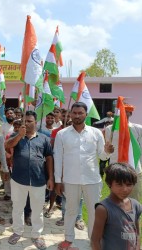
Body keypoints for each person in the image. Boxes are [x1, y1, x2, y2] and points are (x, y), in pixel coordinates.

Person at [54, 102, 114, 249]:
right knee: (71, 210)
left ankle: (94, 240)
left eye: (80, 113)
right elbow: (58, 158)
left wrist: (107, 151)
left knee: (94, 211)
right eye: (74, 113)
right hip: (70, 179)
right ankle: (68, 239)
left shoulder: (96, 133)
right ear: (70, 114)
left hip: (92, 179)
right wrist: (57, 181)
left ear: (86, 114)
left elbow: (102, 156)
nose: (77, 115)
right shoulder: (62, 134)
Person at [5, 111, 54, 249]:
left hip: (38, 179)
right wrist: (19, 136)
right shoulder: (17, 135)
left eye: (29, 121)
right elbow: (7, 145)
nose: (26, 123)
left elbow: (49, 157)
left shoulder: (44, 138)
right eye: (24, 121)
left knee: (37, 209)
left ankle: (36, 235)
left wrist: (50, 177)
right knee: (18, 207)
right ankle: (17, 232)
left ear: (36, 122)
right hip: (18, 179)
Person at [91, 162, 141, 250]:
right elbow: (95, 240)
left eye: (129, 184)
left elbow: (136, 233)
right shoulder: (103, 209)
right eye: (119, 184)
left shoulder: (136, 205)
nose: (125, 189)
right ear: (109, 184)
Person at [104, 103, 142, 202]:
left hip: (134, 169)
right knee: (116, 200)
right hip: (116, 169)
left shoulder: (138, 129)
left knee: (134, 200)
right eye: (121, 112)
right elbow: (107, 151)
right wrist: (108, 150)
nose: (124, 114)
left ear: (130, 113)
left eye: (126, 112)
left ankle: (133, 218)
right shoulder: (110, 129)